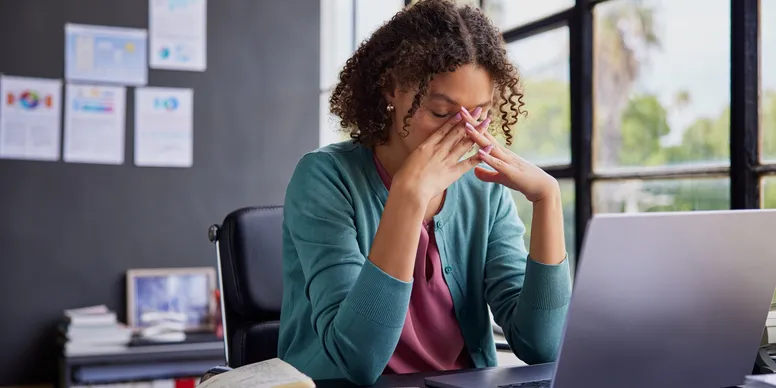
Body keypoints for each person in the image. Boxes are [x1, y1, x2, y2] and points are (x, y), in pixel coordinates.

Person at [277, 0, 572, 385]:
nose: (463, 132)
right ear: (391, 90)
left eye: (479, 114)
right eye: (441, 113)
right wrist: (408, 196)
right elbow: (358, 359)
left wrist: (548, 199)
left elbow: (543, 346)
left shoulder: (483, 187)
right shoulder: (324, 178)